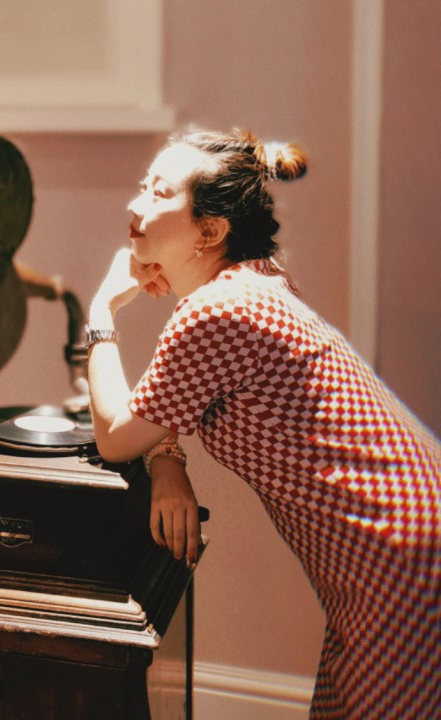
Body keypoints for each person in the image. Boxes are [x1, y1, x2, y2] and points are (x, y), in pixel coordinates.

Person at [86, 128, 441, 720]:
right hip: (401, 536)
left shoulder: (215, 311)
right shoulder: (251, 281)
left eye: (159, 192)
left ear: (209, 231)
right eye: (143, 186)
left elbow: (115, 437)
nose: (135, 203)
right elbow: (171, 402)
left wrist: (102, 311)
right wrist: (167, 460)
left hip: (400, 558)